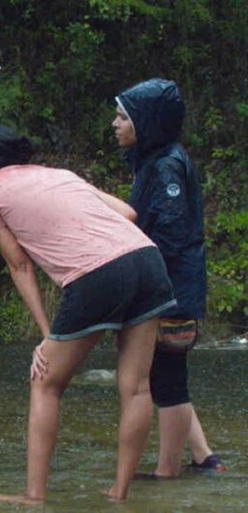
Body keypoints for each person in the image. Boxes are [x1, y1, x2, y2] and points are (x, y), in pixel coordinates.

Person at [0, 126, 175, 504]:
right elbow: (128, 212)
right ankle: (119, 493)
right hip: (147, 258)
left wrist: (47, 335)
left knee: (46, 383)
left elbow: (20, 266)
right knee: (137, 387)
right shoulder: (59, 175)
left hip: (97, 273)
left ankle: (34, 495)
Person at [113, 78, 227, 476]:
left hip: (171, 292)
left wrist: (138, 273)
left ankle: (167, 472)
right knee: (165, 376)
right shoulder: (154, 160)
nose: (115, 124)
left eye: (123, 117)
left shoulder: (166, 166)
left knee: (168, 380)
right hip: (169, 288)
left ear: (147, 123)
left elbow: (172, 234)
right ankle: (203, 457)